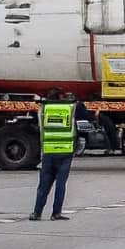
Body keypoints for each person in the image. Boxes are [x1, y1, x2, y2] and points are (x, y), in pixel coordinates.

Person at [30, 89, 78, 221]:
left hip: (48, 151)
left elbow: (41, 129)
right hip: (65, 152)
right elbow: (77, 106)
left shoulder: (43, 109)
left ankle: (36, 213)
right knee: (60, 185)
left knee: (44, 185)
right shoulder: (69, 108)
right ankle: (56, 213)